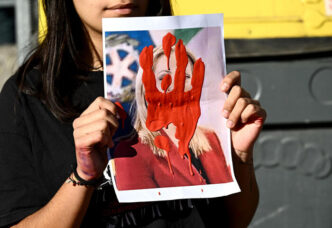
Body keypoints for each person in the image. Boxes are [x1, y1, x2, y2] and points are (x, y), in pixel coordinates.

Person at [0, 0, 266, 228]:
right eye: (162, 80)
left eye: (183, 78)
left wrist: (240, 157)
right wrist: (83, 176)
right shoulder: (27, 96)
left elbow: (233, 221)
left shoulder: (201, 84)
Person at [113, 43, 233, 190]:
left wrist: (241, 152)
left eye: (186, 76)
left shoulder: (210, 138)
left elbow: (234, 209)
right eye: (164, 77)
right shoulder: (131, 150)